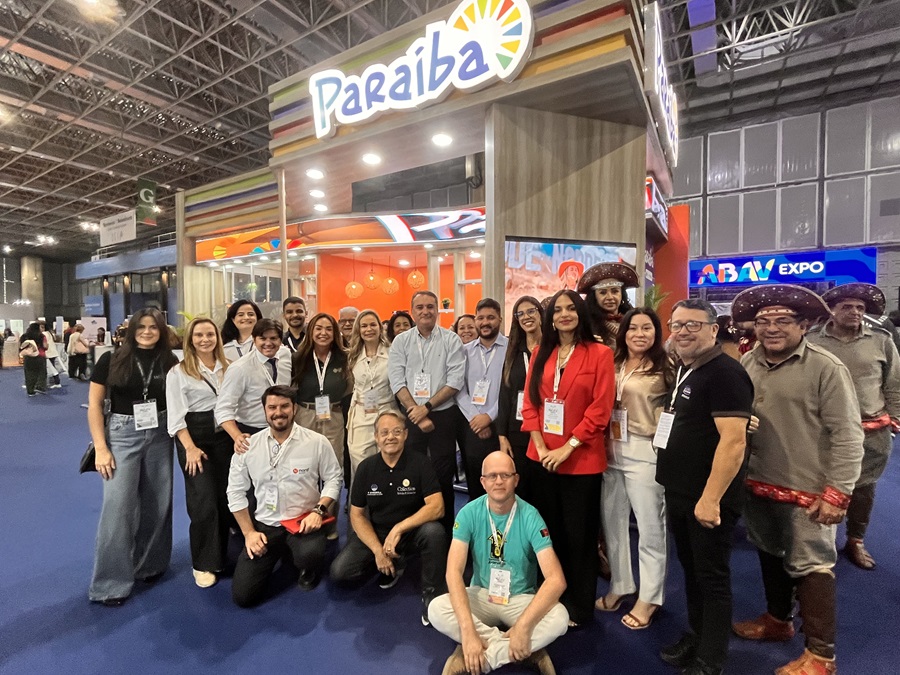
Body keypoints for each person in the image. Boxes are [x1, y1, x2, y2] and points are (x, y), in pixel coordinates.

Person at [732, 285, 865, 675]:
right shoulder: (748, 362)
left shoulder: (826, 367)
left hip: (809, 489)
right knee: (769, 551)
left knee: (812, 566)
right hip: (757, 481)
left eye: (783, 320)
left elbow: (848, 434)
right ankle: (778, 620)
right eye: (763, 321)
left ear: (803, 325)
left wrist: (838, 493)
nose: (771, 328)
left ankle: (822, 656)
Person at [655, 298, 753, 675]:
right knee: (692, 571)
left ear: (713, 330)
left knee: (711, 578)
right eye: (677, 325)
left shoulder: (725, 373)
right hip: (681, 491)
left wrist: (710, 499)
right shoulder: (688, 368)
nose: (683, 332)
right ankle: (697, 637)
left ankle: (711, 659)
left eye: (692, 325)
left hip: (707, 497)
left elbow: (734, 441)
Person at [520, 289, 615, 627]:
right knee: (547, 533)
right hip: (541, 458)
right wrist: (542, 447)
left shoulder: (600, 353)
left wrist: (567, 447)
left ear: (580, 313)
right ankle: (549, 597)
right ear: (550, 318)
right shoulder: (540, 353)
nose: (564, 314)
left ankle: (578, 605)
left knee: (579, 536)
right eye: (558, 309)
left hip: (580, 459)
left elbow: (600, 410)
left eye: (570, 308)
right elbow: (530, 404)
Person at [429, 451, 568, 675]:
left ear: (516, 480)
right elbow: (453, 572)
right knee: (436, 609)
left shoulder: (531, 516)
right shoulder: (468, 513)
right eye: (492, 476)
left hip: (519, 599)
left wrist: (522, 626)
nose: (499, 481)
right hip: (482, 594)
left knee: (560, 618)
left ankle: (480, 658)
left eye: (505, 475)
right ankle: (525, 649)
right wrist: (468, 631)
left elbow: (556, 580)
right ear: (482, 482)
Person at [87, 308, 179, 606]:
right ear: (131, 330)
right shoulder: (110, 359)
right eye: (142, 326)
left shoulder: (170, 361)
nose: (147, 332)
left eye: (154, 327)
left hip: (161, 432)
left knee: (157, 502)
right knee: (117, 509)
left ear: (161, 331)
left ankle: (150, 564)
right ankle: (110, 584)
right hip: (122, 434)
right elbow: (94, 405)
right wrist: (101, 448)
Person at [809, 283, 900, 570]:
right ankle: (817, 545)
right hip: (821, 431)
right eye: (847, 306)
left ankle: (855, 540)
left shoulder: (881, 341)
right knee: (817, 486)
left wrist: (895, 418)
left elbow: (894, 384)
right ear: (832, 311)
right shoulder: (811, 340)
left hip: (870, 431)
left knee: (863, 490)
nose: (855, 312)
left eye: (860, 308)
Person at [227, 385, 342, 606]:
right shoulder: (248, 446)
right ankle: (281, 553)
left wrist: (319, 511)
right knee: (243, 596)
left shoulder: (316, 442)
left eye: (284, 406)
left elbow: (334, 479)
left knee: (310, 555)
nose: (278, 412)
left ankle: (306, 566)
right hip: (266, 526)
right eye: (272, 407)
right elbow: (235, 492)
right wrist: (249, 533)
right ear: (264, 410)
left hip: (303, 523)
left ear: (294, 408)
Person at [331, 411, 448, 624]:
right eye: (384, 433)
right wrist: (378, 551)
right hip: (378, 533)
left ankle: (432, 594)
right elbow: (357, 515)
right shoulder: (366, 468)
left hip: (411, 532)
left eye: (396, 431)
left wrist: (399, 528)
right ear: (376, 437)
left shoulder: (420, 462)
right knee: (340, 573)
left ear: (405, 435)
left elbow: (437, 507)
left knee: (434, 532)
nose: (390, 437)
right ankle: (391, 562)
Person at [597, 308, 672, 630]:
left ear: (656, 333)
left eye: (647, 328)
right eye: (633, 328)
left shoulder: (666, 367)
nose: (639, 334)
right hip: (609, 448)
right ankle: (621, 584)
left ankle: (650, 597)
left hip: (645, 449)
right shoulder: (612, 363)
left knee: (650, 528)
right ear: (623, 332)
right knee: (613, 524)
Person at [388, 290, 466, 533]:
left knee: (443, 475)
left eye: (430, 306)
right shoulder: (401, 341)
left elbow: (455, 381)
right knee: (411, 474)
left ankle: (446, 532)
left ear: (437, 310)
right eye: (420, 307)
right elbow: (397, 381)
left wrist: (427, 407)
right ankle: (412, 528)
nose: (425, 311)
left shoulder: (451, 340)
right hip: (411, 415)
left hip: (443, 415)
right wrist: (416, 411)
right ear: (412, 311)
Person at [166, 318, 233, 588]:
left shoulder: (229, 368)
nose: (205, 340)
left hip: (225, 436)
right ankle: (204, 563)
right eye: (199, 335)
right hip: (194, 437)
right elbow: (175, 416)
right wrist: (190, 448)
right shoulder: (178, 372)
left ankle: (221, 555)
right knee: (203, 501)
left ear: (217, 338)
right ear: (190, 340)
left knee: (225, 497)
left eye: (210, 334)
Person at [292, 312, 351, 530]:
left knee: (332, 469)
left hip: (333, 415)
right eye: (318, 328)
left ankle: (329, 523)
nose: (323, 333)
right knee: (304, 468)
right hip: (305, 414)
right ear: (311, 332)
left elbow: (349, 388)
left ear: (335, 333)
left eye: (328, 329)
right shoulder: (298, 358)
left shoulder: (344, 357)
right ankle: (304, 519)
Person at [456, 298, 508, 500]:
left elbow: (510, 390)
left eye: (491, 318)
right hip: (472, 425)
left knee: (502, 480)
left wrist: (489, 416)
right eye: (481, 318)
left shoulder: (511, 348)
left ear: (500, 319)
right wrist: (476, 417)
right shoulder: (465, 351)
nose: (485, 322)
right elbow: (458, 388)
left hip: (502, 424)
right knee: (476, 482)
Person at [216, 319, 293, 453]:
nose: (268, 343)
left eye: (273, 338)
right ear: (254, 339)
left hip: (285, 429)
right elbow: (223, 409)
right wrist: (237, 436)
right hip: (253, 431)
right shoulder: (240, 368)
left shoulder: (285, 355)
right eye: (262, 338)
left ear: (281, 340)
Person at [345, 309, 400, 482]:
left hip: (387, 410)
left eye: (372, 325)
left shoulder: (393, 352)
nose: (368, 329)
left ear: (380, 327)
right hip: (361, 413)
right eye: (364, 326)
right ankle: (362, 498)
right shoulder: (352, 354)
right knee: (360, 460)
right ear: (358, 330)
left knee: (389, 460)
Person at [497, 296, 542, 500]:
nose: (526, 317)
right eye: (520, 314)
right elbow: (505, 394)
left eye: (531, 311)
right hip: (518, 431)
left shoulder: (553, 349)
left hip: (547, 429)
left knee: (544, 491)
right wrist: (502, 436)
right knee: (522, 490)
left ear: (541, 314)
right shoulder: (514, 351)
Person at [575, 261, 638, 347]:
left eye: (615, 291)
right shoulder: (586, 325)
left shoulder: (634, 319)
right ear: (594, 297)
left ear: (622, 294)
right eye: (603, 292)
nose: (610, 297)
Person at [19, 322, 48, 397]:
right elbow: (45, 346)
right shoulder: (41, 336)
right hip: (40, 356)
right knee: (41, 372)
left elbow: (21, 346)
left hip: (28, 357)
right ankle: (40, 387)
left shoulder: (24, 336)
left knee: (29, 373)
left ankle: (30, 391)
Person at [40, 322, 62, 388]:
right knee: (52, 368)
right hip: (52, 352)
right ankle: (55, 382)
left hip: (48, 353)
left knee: (50, 369)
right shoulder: (49, 333)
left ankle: (54, 382)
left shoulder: (43, 334)